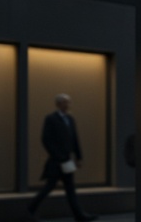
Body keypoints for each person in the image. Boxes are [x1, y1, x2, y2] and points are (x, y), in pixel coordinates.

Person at [26, 93, 98, 221]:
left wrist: (78, 157)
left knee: (70, 188)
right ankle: (31, 209)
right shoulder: (51, 119)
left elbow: (74, 139)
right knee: (50, 186)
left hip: (67, 161)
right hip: (56, 161)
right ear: (58, 104)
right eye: (65, 102)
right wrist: (57, 155)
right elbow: (46, 139)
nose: (68, 105)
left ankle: (79, 215)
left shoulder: (70, 119)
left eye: (69, 102)